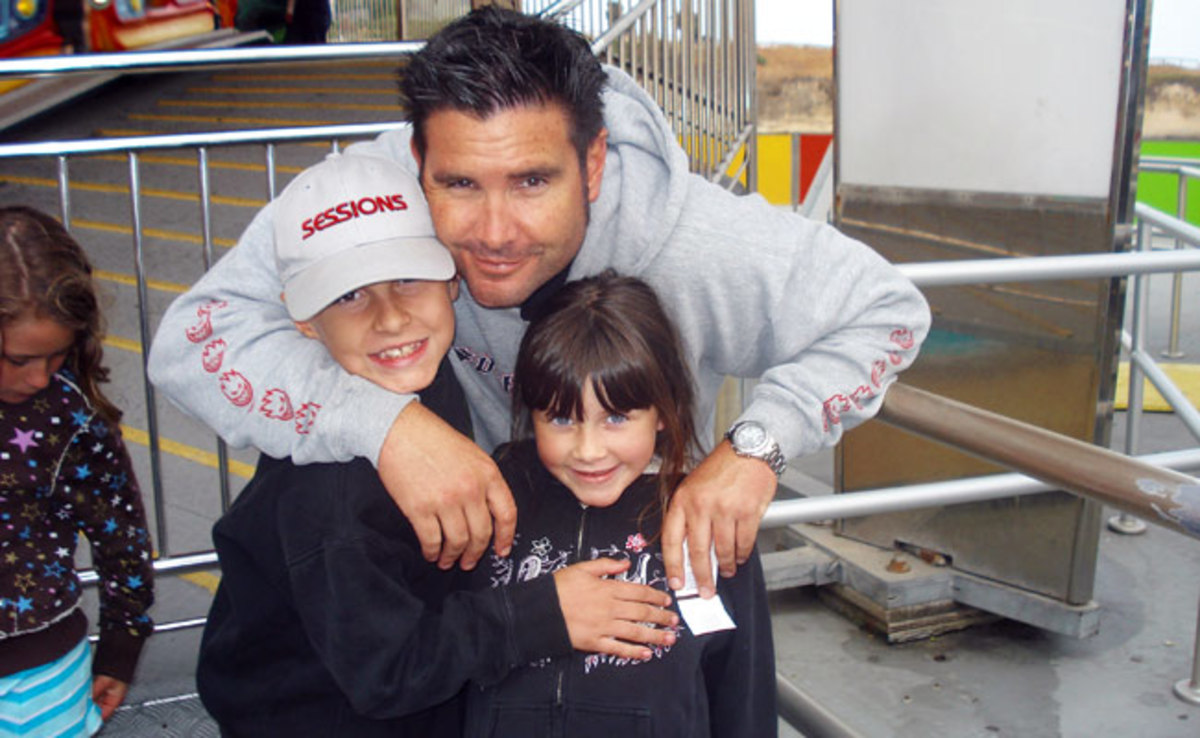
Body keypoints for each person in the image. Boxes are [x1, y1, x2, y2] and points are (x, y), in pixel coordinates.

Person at [147, 7, 930, 600]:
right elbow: (193, 338)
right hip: (432, 597)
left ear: (591, 164)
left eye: (531, 182)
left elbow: (887, 311)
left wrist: (756, 449)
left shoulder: (697, 240)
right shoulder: (371, 194)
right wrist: (386, 428)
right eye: (457, 184)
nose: (492, 233)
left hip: (614, 584)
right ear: (419, 159)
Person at [196, 153, 678, 736]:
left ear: (452, 280)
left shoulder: (416, 374)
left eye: (407, 279)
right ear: (300, 320)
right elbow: (386, 671)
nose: (392, 318)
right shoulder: (330, 502)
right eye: (349, 296)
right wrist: (542, 614)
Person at [467, 271, 775, 737]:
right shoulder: (493, 497)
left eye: (615, 417)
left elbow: (743, 693)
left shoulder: (706, 519)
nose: (589, 450)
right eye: (561, 418)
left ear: (662, 411)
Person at [0, 206, 155, 735]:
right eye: (18, 359)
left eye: (57, 356)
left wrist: (121, 644)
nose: (41, 377)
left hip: (43, 675)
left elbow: (121, 534)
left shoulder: (71, 418)